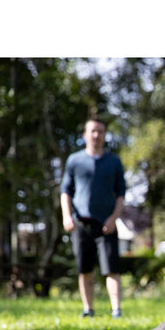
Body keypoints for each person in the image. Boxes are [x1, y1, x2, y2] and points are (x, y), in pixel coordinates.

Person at [60, 116, 126, 317]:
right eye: (93, 131)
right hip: (81, 223)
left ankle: (116, 310)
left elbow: (121, 194)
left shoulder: (113, 162)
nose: (97, 135)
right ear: (85, 135)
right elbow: (65, 191)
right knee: (84, 269)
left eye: (101, 131)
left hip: (106, 224)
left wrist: (113, 218)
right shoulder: (74, 160)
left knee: (111, 269)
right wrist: (67, 216)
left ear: (105, 135)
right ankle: (88, 309)